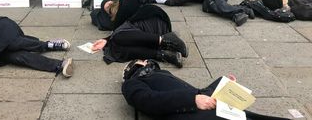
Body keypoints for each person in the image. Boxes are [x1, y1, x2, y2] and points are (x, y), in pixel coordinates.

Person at [122, 59, 291, 120]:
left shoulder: (161, 75)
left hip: (215, 111)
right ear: (135, 67)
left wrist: (223, 84)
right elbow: (147, 101)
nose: (147, 61)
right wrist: (191, 100)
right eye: (142, 61)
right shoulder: (133, 82)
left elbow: (201, 93)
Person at [92, 0, 188, 68]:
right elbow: (122, 31)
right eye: (107, 9)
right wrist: (106, 40)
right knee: (119, 49)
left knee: (117, 39)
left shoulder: (127, 0)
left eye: (108, 3)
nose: (109, 7)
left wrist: (111, 37)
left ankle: (165, 40)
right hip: (144, 33)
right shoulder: (118, 23)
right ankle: (165, 55)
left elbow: (121, 29)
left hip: (154, 22)